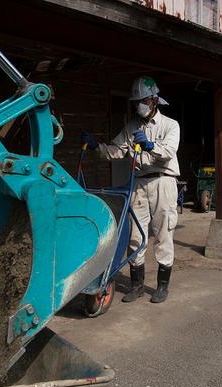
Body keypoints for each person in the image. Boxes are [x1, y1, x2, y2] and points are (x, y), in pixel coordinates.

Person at [80, 76, 179, 304]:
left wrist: (151, 145)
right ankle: (136, 285)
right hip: (139, 182)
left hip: (163, 181)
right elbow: (117, 151)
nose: (139, 105)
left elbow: (169, 152)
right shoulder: (132, 126)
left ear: (154, 100)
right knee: (135, 233)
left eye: (143, 100)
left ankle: (162, 287)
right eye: (136, 101)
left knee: (163, 232)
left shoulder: (171, 125)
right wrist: (98, 146)